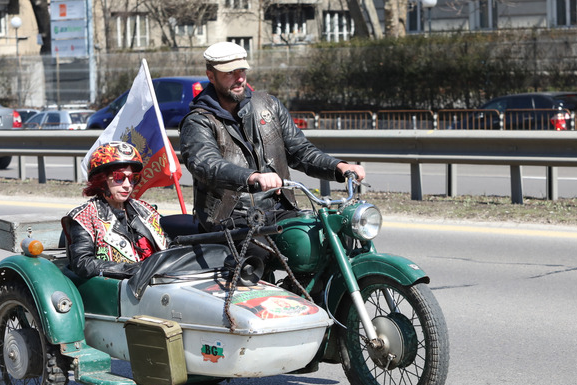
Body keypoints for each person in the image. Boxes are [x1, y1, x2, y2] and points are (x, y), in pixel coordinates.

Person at [179, 41, 366, 232]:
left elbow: (299, 150)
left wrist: (338, 166)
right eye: (230, 73)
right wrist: (252, 177)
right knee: (258, 256)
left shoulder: (269, 105)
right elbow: (206, 165)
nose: (239, 78)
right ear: (211, 76)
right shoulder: (198, 121)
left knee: (317, 241)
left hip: (279, 210)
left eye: (242, 70)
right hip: (231, 216)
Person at [63, 141, 168, 279]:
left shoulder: (145, 209)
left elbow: (169, 243)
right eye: (119, 177)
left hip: (157, 281)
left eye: (132, 178)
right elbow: (82, 263)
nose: (127, 185)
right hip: (115, 290)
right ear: (101, 179)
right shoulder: (83, 216)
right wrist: (134, 270)